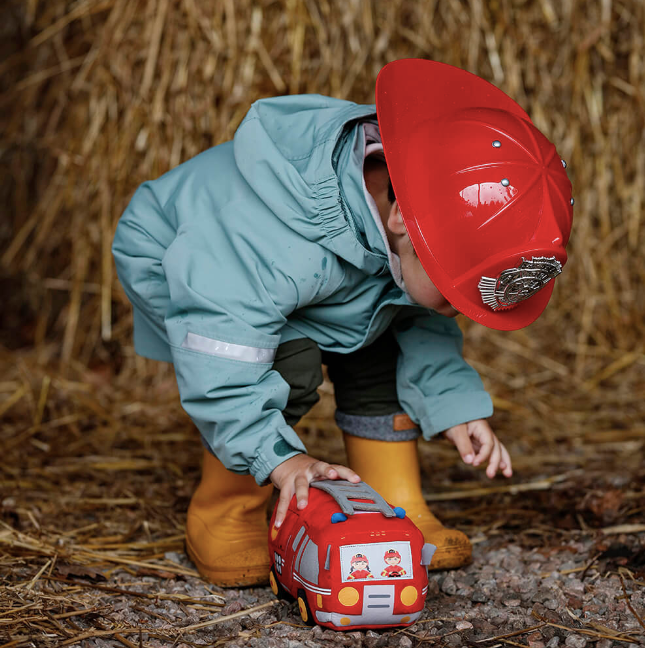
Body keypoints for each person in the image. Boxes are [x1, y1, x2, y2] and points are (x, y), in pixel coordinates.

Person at [112, 59, 573, 588]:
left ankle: (393, 500)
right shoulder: (265, 241)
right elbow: (225, 351)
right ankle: (226, 508)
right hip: (183, 263)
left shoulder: (412, 209)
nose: (462, 309)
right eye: (455, 292)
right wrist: (280, 458)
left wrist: (454, 409)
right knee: (286, 360)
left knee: (389, 329)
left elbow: (423, 325)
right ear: (404, 220)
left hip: (319, 277)